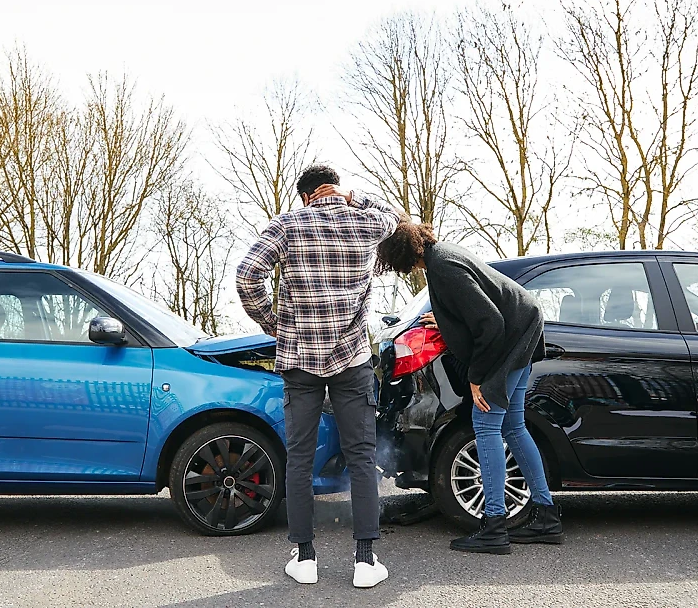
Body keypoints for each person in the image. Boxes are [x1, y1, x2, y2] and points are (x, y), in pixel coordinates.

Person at [236, 165, 399, 588]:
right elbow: (396, 217)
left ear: (305, 195)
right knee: (362, 458)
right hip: (352, 359)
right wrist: (355, 200)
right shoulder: (365, 222)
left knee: (300, 459)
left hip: (299, 359)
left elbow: (247, 274)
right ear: (335, 190)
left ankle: (304, 557)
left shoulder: (288, 224)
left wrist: (272, 322)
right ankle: (365, 561)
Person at [376, 219, 563, 554]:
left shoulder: (443, 267)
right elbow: (475, 311)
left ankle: (494, 527)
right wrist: (447, 322)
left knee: (486, 424)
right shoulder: (442, 256)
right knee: (513, 426)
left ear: (398, 254)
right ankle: (547, 516)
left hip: (510, 338)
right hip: (522, 328)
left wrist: (477, 378)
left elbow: (489, 324)